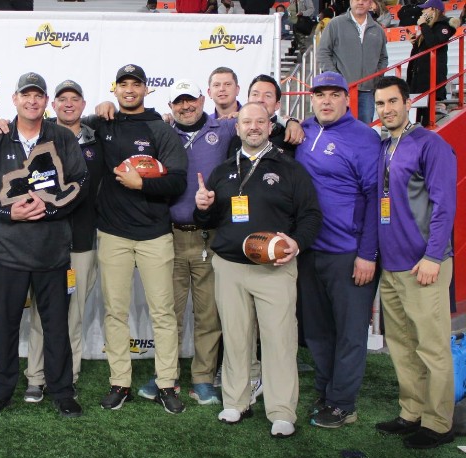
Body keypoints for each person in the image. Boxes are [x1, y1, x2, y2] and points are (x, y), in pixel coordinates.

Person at [194, 102, 321, 438]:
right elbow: (209, 221)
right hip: (229, 267)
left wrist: (297, 243)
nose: (253, 127)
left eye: (259, 121)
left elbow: (310, 216)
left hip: (274, 270)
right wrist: (203, 208)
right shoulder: (222, 171)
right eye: (246, 121)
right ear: (237, 128)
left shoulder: (290, 168)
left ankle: (281, 410)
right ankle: (236, 401)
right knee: (236, 339)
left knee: (279, 340)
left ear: (269, 125)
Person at [0, 72, 87, 419]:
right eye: (26, 95)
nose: (32, 101)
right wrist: (8, 213)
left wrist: (49, 209)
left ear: (46, 101)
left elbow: (80, 180)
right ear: (15, 99)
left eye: (38, 95)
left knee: (56, 326)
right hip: (8, 252)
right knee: (4, 326)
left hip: (53, 252)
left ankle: (62, 391)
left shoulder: (62, 137)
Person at [87, 64, 187, 414]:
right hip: (113, 234)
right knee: (115, 311)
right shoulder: (103, 123)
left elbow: (178, 181)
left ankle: (167, 384)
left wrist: (141, 184)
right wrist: (96, 108)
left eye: (136, 84)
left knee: (163, 312)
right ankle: (120, 382)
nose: (130, 90)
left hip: (154, 235)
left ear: (146, 89)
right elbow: (67, 124)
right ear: (115, 89)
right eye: (123, 84)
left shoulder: (160, 128)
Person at [372, 76, 457, 450]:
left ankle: (439, 423)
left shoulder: (430, 144)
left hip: (423, 264)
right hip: (391, 266)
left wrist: (433, 256)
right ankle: (412, 411)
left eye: (393, 102)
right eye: (380, 104)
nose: (387, 109)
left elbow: (445, 206)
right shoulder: (383, 146)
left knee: (432, 346)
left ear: (408, 103)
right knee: (402, 344)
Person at [294, 71, 380, 429]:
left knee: (349, 332)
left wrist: (368, 254)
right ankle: (326, 391)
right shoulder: (304, 130)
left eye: (334, 94)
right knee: (317, 330)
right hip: (309, 250)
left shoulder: (364, 138)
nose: (326, 101)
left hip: (348, 252)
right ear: (311, 98)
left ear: (348, 99)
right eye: (319, 94)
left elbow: (377, 199)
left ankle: (344, 403)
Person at [147, 79, 237, 406]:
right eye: (178, 102)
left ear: (203, 99)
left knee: (208, 313)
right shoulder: (162, 133)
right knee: (167, 311)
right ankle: (164, 374)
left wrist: (292, 122)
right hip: (168, 236)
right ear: (170, 107)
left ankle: (202, 377)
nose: (186, 107)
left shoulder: (224, 129)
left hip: (207, 237)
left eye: (191, 100)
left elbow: (266, 125)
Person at [23, 80, 104, 403]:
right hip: (44, 240)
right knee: (43, 313)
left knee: (74, 314)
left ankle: (67, 376)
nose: (68, 104)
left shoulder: (97, 142)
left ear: (84, 105)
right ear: (51, 105)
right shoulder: (36, 139)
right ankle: (35, 376)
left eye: (75, 99)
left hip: (83, 242)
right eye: (62, 99)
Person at [317, 0, 388, 124]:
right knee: (338, 130)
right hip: (340, 91)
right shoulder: (335, 24)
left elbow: (383, 58)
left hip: (367, 92)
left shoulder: (378, 29)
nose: (360, 2)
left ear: (371, 3)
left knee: (363, 131)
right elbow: (323, 53)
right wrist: (337, 79)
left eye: (364, 0)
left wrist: (375, 78)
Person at [406, 0, 460, 125]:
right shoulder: (430, 26)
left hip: (431, 77)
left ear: (433, 9)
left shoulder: (445, 25)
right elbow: (424, 49)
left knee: (426, 119)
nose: (423, 11)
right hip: (420, 77)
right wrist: (415, 43)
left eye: (425, 9)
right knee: (417, 117)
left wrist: (423, 25)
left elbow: (434, 44)